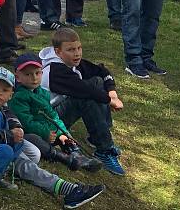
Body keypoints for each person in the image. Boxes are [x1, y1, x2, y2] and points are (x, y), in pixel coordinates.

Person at [0, 67, 105, 210]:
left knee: (17, 144)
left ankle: (68, 190)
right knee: (6, 150)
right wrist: (10, 136)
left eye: (5, 90)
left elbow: (9, 116)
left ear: (10, 94)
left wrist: (15, 131)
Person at [39, 28, 125, 175]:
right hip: (46, 121)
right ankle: (104, 150)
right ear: (58, 52)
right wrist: (110, 101)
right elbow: (84, 90)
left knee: (97, 81)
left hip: (56, 114)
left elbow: (102, 71)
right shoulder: (55, 70)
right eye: (71, 50)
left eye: (79, 48)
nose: (77, 53)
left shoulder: (72, 61)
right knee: (86, 97)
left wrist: (112, 91)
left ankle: (98, 136)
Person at [7, 53, 102, 171]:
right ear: (18, 77)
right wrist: (45, 133)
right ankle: (61, 157)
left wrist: (62, 133)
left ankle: (76, 154)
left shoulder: (42, 93)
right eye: (28, 74)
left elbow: (52, 115)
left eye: (37, 73)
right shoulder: (18, 97)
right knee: (34, 139)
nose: (34, 78)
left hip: (48, 131)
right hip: (31, 133)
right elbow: (26, 122)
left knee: (64, 137)